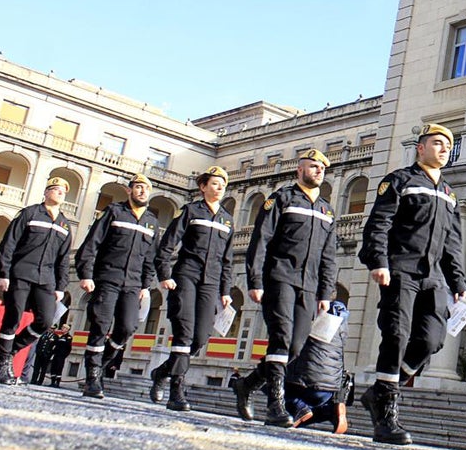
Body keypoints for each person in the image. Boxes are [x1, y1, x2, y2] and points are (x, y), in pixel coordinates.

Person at [358, 123, 466, 445]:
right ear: (420, 148)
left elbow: (452, 243)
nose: (444, 149)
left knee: (432, 339)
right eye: (437, 143)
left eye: (448, 145)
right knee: (396, 335)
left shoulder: (448, 194)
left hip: (432, 278)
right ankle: (386, 415)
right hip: (400, 271)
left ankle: (379, 392)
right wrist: (379, 262)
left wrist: (458, 281)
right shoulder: (399, 181)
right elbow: (379, 224)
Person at [231, 149, 339, 426]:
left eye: (322, 168)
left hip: (309, 285)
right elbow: (261, 239)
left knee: (296, 346)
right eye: (312, 166)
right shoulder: (281, 198)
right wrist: (255, 280)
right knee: (280, 337)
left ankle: (247, 384)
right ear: (299, 170)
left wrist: (326, 292)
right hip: (279, 278)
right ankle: (275, 406)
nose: (318, 171)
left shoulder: (327, 210)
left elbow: (329, 255)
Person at [149, 167, 234, 411]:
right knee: (184, 333)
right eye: (215, 183)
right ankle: (177, 390)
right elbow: (168, 244)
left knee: (201, 336)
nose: (220, 187)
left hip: (211, 282)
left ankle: (162, 372)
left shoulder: (227, 219)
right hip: (186, 276)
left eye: (223, 184)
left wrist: (226, 291)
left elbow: (227, 259)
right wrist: (165, 275)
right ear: (203, 187)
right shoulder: (190, 211)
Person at [74, 173, 160, 399]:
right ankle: (92, 376)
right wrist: (86, 274)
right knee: (100, 325)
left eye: (146, 188)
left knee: (127, 327)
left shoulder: (152, 221)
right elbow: (92, 243)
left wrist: (145, 285)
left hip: (133, 283)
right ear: (129, 190)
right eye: (138, 187)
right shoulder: (114, 212)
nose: (142, 191)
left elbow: (150, 258)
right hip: (107, 278)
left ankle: (103, 363)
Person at [0, 178, 74, 385]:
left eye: (63, 191)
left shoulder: (64, 224)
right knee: (13, 318)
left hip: (46, 279)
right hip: (21, 273)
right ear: (46, 192)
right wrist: (3, 273)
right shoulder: (30, 213)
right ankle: (1, 366)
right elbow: (9, 243)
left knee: (45, 320)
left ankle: (11, 350)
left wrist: (61, 286)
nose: (59, 193)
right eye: (55, 189)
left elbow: (63, 259)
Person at [283, 300, 353, 433]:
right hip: (328, 391)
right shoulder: (341, 329)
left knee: (269, 375)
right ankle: (329, 410)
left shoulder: (304, 318)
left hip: (304, 387)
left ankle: (297, 405)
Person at [46, 323, 72, 387]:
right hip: (56, 355)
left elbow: (68, 348)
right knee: (53, 368)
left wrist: (64, 355)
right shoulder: (61, 337)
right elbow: (56, 346)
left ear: (67, 329)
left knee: (59, 369)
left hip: (61, 356)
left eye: (64, 328)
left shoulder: (68, 337)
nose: (62, 328)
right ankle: (52, 382)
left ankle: (57, 383)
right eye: (62, 327)